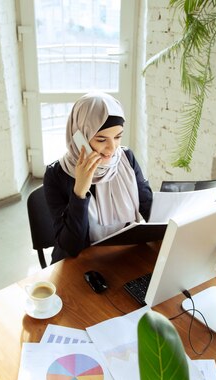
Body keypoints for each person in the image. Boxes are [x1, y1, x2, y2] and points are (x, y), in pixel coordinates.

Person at [43, 92, 153, 264]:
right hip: (78, 264)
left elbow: (150, 208)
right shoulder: (56, 175)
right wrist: (79, 191)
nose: (112, 148)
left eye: (117, 137)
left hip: (119, 256)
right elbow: (72, 246)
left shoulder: (126, 159)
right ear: (80, 137)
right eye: (101, 139)